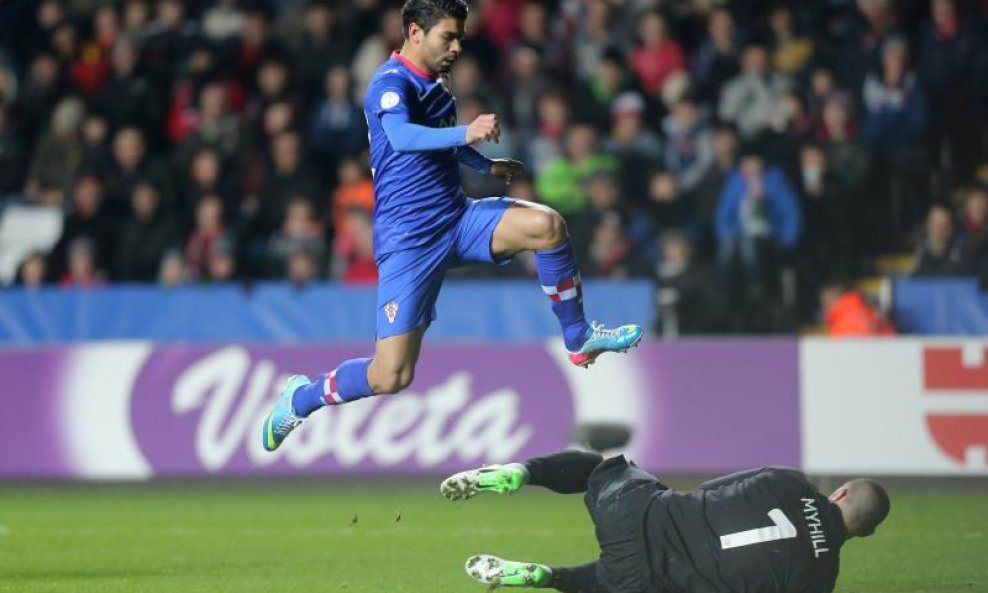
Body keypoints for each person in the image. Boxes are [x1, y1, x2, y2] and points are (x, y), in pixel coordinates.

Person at [260, 0, 642, 452]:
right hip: (409, 243)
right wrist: (467, 133)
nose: (458, 46)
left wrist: (485, 165)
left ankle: (578, 338)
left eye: (460, 36)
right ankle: (301, 398)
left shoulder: (438, 87)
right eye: (449, 37)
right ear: (415, 31)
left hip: (457, 218)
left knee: (547, 226)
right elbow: (403, 139)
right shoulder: (388, 85)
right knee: (392, 375)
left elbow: (439, 146)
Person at [441, 450, 890, 593]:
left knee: (600, 468)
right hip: (644, 578)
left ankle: (524, 473)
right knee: (614, 581)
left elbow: (713, 490)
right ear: (865, 532)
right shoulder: (819, 579)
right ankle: (543, 577)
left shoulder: (789, 482)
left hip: (634, 510)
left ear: (841, 493)